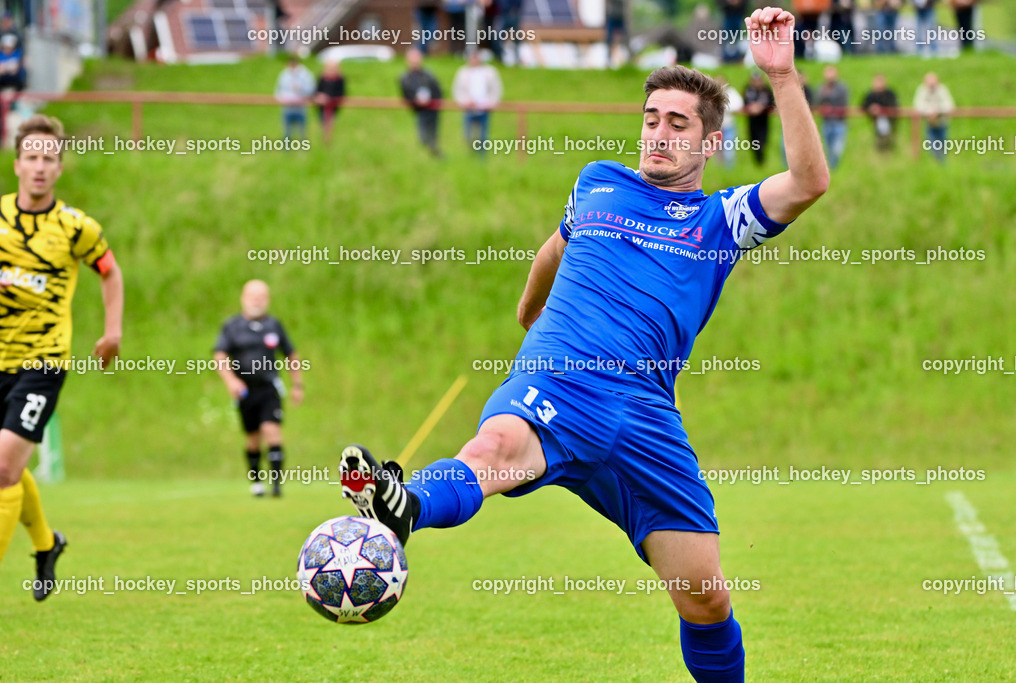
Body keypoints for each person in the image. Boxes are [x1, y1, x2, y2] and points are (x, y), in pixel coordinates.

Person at [340, 6, 828, 681]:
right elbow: (555, 247)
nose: (659, 133)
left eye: (678, 123)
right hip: (561, 377)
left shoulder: (721, 219)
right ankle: (406, 507)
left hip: (645, 416)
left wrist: (781, 76)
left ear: (709, 143)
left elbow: (808, 182)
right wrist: (530, 311)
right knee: (493, 449)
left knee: (705, 596)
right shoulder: (599, 180)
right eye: (652, 118)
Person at [0, 115, 124, 600]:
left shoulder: (76, 227)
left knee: (2, 471)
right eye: (32, 157)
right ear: (17, 164)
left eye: (50, 158)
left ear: (60, 167)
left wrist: (112, 333)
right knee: (1, 465)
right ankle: (47, 544)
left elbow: (110, 273)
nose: (40, 167)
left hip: (43, 361)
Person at [214, 280, 304, 497]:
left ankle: (276, 484)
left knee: (272, 431)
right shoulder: (232, 326)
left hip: (269, 388)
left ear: (268, 300)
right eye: (253, 296)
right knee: (253, 437)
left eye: (261, 296)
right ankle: (256, 482)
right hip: (245, 391)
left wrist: (297, 384)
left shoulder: (274, 325)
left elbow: (291, 354)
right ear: (243, 298)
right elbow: (220, 356)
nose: (257, 300)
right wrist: (231, 381)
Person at [452, 50, 502, 153]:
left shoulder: (490, 72)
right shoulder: (463, 72)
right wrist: (464, 102)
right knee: (468, 134)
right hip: (469, 108)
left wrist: (491, 102)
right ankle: (470, 154)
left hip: (484, 108)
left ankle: (481, 156)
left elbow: (496, 89)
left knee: (483, 135)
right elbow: (457, 90)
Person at [400, 48, 444, 157]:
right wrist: (416, 102)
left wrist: (432, 101)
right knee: (423, 137)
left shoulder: (428, 75)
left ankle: (435, 154)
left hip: (432, 109)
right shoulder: (405, 77)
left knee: (432, 135)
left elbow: (437, 90)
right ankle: (428, 154)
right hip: (419, 110)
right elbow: (406, 94)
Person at [914, 71, 954, 162]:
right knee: (932, 146)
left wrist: (938, 111)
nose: (931, 85)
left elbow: (949, 105)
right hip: (930, 123)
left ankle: (942, 164)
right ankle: (937, 164)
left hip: (942, 122)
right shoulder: (922, 90)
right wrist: (929, 111)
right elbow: (918, 105)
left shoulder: (942, 90)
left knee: (942, 144)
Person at [274, 56, 316, 140]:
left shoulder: (305, 75)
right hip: (288, 107)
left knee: (302, 131)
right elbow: (278, 91)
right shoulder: (284, 75)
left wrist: (301, 89)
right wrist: (282, 99)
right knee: (287, 130)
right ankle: (286, 149)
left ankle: (303, 148)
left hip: (300, 107)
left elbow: (311, 90)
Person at [816, 65, 848, 169]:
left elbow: (843, 102)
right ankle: (829, 168)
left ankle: (834, 167)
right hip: (826, 122)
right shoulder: (821, 88)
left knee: (837, 148)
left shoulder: (842, 88)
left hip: (839, 122)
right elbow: (818, 102)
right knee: (827, 148)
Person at [743, 70, 774, 166]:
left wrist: (761, 107)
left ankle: (761, 161)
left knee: (762, 141)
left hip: (763, 121)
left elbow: (771, 103)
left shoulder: (766, 90)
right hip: (752, 120)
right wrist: (751, 107)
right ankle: (757, 162)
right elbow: (744, 102)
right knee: (753, 141)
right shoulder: (748, 90)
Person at [861, 73, 898, 152]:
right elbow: (863, 106)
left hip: (889, 121)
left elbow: (894, 106)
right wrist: (871, 109)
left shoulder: (890, 94)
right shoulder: (871, 95)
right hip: (876, 122)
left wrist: (881, 110)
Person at [314, 59, 346, 146]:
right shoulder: (322, 78)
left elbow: (341, 93)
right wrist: (320, 97)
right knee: (323, 124)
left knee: (331, 124)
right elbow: (316, 91)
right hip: (322, 106)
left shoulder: (340, 79)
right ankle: (324, 142)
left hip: (333, 105)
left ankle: (328, 143)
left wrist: (329, 98)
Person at [716, 75, 743, 167]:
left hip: (728, 125)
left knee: (728, 148)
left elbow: (738, 105)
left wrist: (724, 107)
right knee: (717, 150)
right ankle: (719, 168)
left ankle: (729, 167)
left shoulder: (731, 93)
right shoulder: (712, 94)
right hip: (716, 127)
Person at [604, 0, 631, 67]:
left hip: (620, 15)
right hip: (612, 15)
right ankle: (609, 59)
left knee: (623, 39)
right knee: (610, 39)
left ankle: (626, 59)